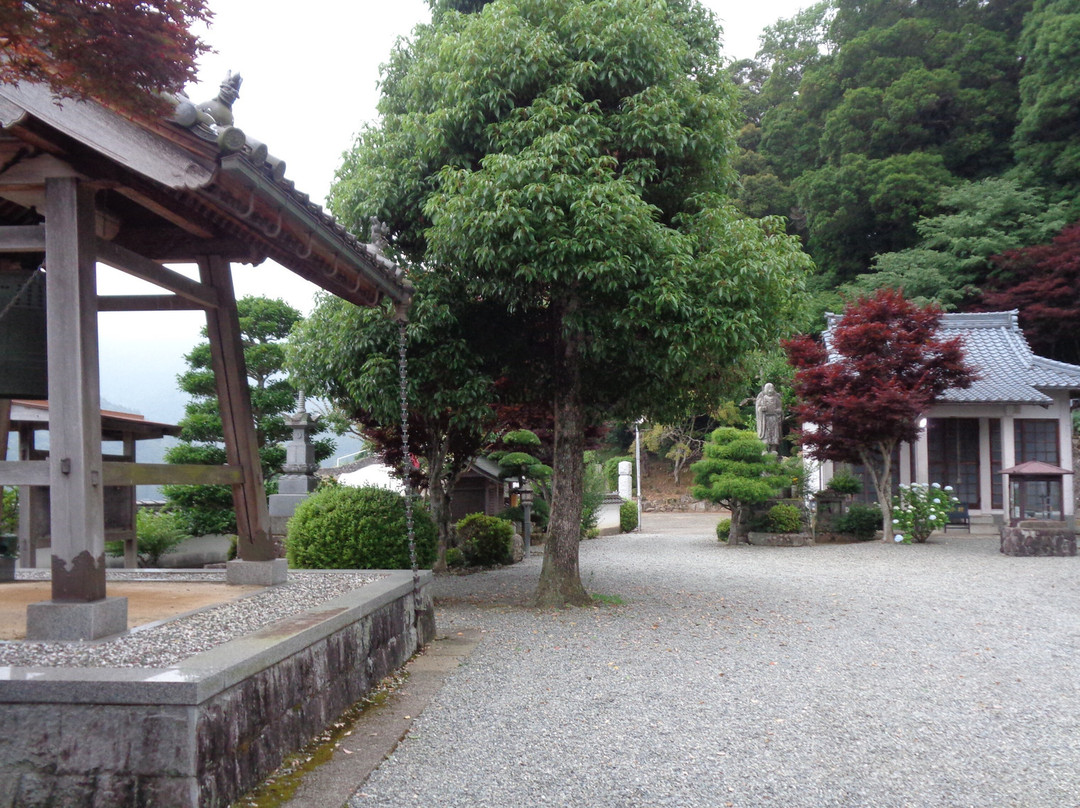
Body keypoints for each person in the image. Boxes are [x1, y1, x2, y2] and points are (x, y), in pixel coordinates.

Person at [755, 382, 783, 452]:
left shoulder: (776, 398)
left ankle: (773, 449)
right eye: (768, 389)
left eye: (771, 388)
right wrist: (761, 409)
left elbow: (780, 408)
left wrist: (778, 411)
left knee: (774, 434)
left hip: (774, 419)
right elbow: (758, 408)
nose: (770, 391)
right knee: (765, 435)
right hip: (765, 419)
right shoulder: (762, 398)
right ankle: (764, 449)